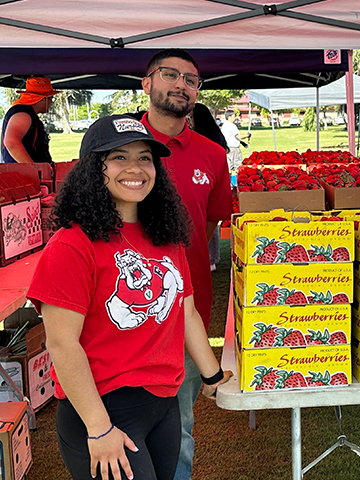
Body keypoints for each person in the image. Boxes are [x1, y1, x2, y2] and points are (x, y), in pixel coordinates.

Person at [26, 115, 231, 480]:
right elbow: (61, 343)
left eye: (145, 158)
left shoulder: (166, 235)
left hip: (163, 404)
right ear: (93, 168)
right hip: (103, 407)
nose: (135, 168)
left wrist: (212, 376)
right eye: (119, 157)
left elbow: (186, 313)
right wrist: (99, 427)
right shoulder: (72, 245)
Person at [139, 48, 233, 480]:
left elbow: (211, 221)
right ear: (147, 82)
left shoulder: (213, 156)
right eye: (170, 74)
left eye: (191, 79)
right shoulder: (118, 145)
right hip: (118, 309)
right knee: (116, 420)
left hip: (185, 309)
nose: (181, 84)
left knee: (179, 424)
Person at [187, 103, 229, 273]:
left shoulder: (203, 139)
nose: (188, 120)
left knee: (203, 220)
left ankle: (208, 258)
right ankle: (212, 259)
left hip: (203, 180)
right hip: (211, 180)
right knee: (210, 221)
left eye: (190, 116)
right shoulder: (215, 134)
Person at [1, 76, 59, 163]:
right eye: (51, 98)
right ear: (43, 99)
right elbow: (11, 142)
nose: (51, 102)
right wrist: (33, 168)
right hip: (22, 173)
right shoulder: (23, 115)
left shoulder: (28, 113)